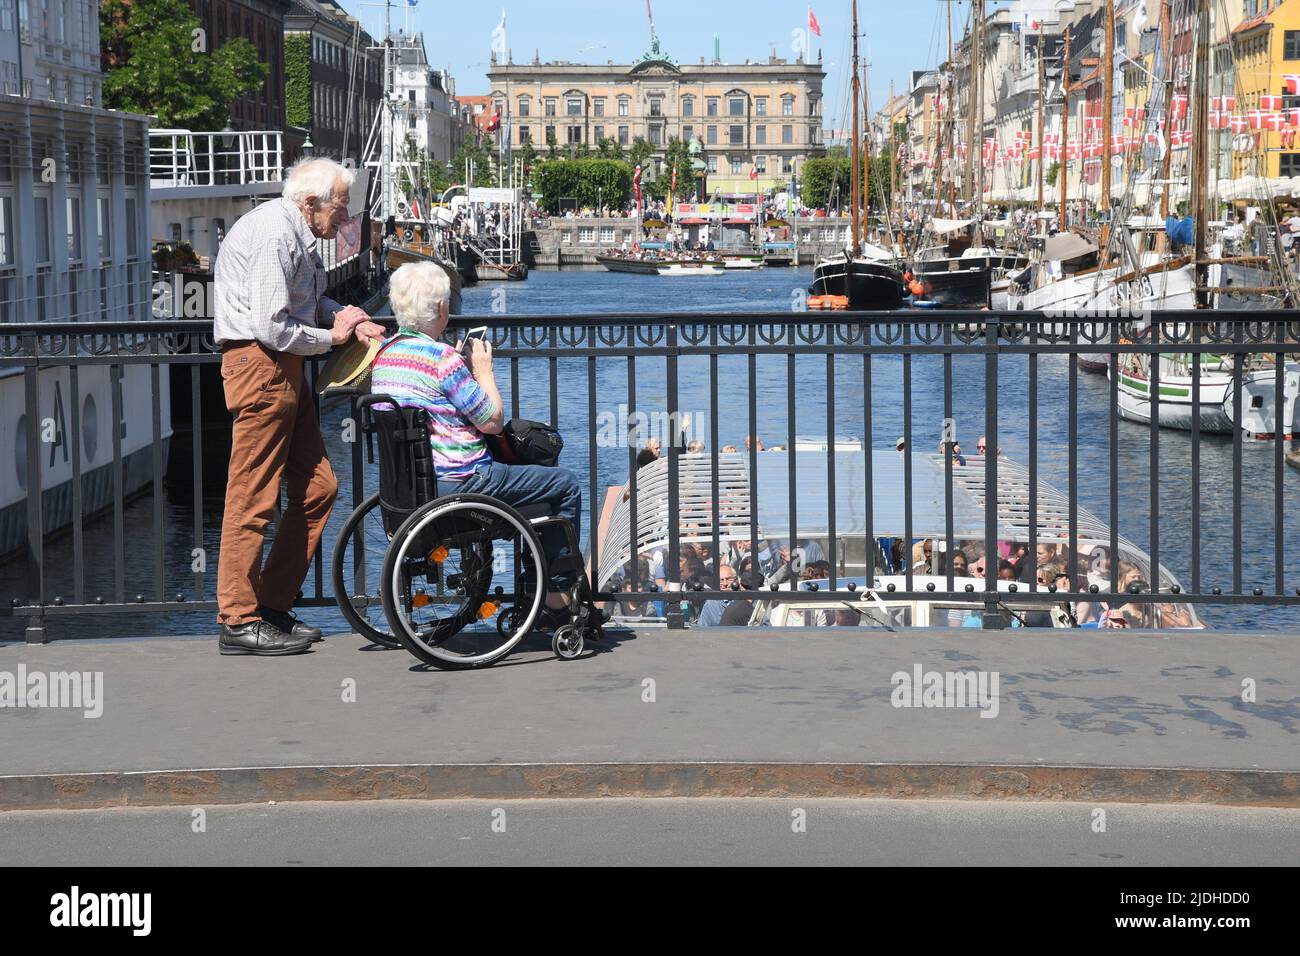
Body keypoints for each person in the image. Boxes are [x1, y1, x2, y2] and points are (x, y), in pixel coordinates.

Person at [213, 157, 385, 657]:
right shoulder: (274, 234)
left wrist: (349, 318)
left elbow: (307, 303)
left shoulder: (297, 234)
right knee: (253, 496)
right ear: (310, 203)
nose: (344, 216)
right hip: (261, 364)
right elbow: (271, 324)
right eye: (340, 205)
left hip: (283, 368)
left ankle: (268, 605)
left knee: (318, 488)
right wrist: (331, 337)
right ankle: (238, 619)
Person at [369, 262, 584, 630]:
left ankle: (536, 587)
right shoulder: (442, 359)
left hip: (412, 487)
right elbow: (492, 420)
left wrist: (455, 367)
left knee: (537, 481)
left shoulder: (384, 356)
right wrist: (482, 370)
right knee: (564, 485)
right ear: (440, 309)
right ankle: (554, 597)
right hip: (465, 482)